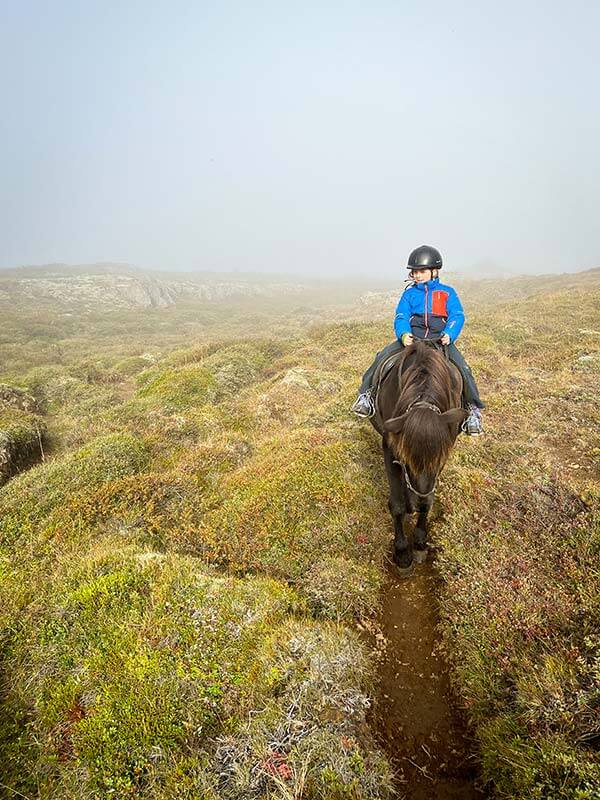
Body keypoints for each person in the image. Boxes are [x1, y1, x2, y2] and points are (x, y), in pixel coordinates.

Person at [351, 245, 484, 435]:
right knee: (382, 357)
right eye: (415, 272)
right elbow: (401, 316)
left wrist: (450, 334)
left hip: (440, 339)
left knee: (463, 369)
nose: (418, 275)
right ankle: (367, 395)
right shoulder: (409, 294)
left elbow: (457, 315)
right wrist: (404, 334)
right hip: (413, 338)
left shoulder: (447, 292)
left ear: (434, 271)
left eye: (422, 271)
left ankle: (473, 411)